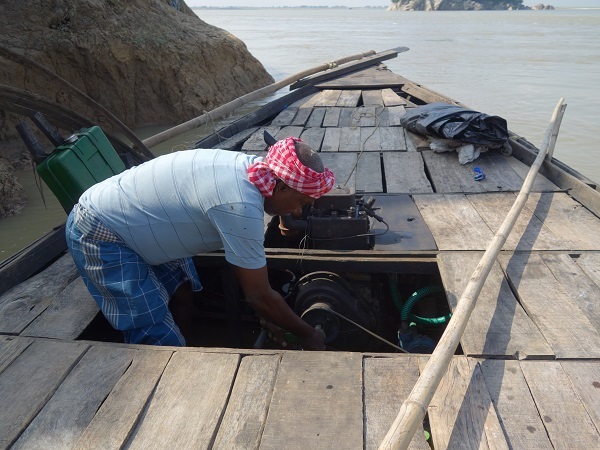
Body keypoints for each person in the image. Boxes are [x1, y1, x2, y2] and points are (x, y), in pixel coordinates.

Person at [65, 136, 335, 349]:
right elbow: (259, 295)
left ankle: (184, 351)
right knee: (152, 331)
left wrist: (271, 313)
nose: (298, 212)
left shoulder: (255, 169)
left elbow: (258, 293)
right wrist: (309, 334)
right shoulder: (239, 205)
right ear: (283, 186)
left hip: (142, 223)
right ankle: (169, 370)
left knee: (183, 294)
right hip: (102, 230)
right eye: (301, 202)